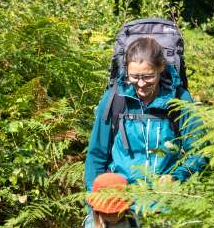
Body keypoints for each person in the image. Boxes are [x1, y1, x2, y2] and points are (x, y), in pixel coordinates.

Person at [84, 35, 206, 192]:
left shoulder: (179, 99)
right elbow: (97, 155)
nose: (141, 84)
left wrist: (177, 177)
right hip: (120, 199)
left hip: (166, 200)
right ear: (126, 69)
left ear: (161, 67)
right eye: (134, 76)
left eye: (148, 76)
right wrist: (94, 203)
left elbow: (200, 151)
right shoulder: (115, 98)